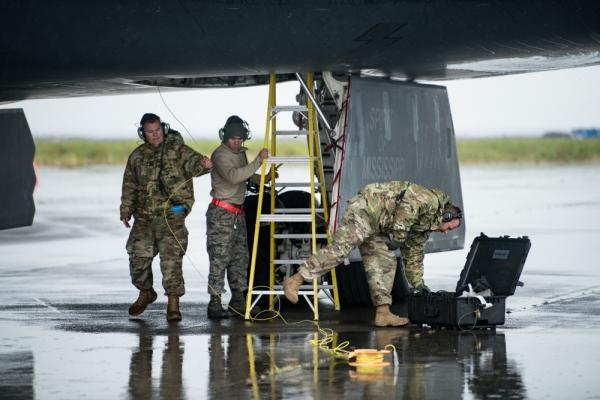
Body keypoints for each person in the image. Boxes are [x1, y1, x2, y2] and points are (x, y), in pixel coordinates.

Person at [283, 181, 462, 327]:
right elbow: (407, 206)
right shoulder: (429, 200)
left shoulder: (425, 228)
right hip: (366, 209)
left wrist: (418, 283)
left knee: (386, 262)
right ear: (445, 216)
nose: (446, 231)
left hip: (378, 226)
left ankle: (383, 313)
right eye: (449, 227)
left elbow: (414, 256)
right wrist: (399, 237)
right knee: (340, 250)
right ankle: (295, 280)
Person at [120, 113, 213, 321]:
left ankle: (173, 303)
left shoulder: (177, 149)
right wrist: (125, 210)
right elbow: (130, 185)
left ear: (164, 128)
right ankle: (146, 292)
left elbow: (195, 165)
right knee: (137, 258)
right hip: (143, 217)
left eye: (158, 131)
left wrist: (205, 165)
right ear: (143, 133)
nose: (155, 135)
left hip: (172, 215)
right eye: (150, 132)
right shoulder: (137, 156)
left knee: (171, 262)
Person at [206, 115, 269, 318]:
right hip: (221, 214)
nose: (237, 142)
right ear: (225, 137)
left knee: (240, 258)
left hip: (237, 214)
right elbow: (234, 176)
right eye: (233, 138)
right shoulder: (220, 155)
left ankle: (238, 300)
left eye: (240, 139)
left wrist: (264, 179)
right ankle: (215, 302)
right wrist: (259, 160)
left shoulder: (240, 153)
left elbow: (247, 175)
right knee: (219, 258)